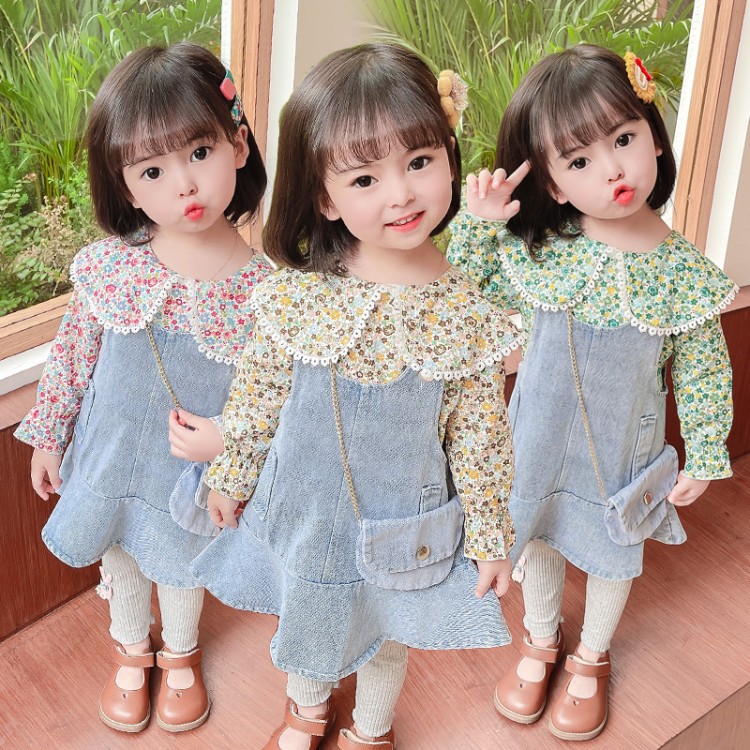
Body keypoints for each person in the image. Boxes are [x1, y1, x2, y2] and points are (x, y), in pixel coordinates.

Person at [190, 43, 521, 750]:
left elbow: (482, 438)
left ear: (450, 157)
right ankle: (306, 711)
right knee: (311, 614)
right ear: (323, 196)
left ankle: (371, 731)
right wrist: (232, 472)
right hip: (310, 509)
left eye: (419, 161)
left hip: (406, 518)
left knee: (389, 630)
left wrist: (492, 536)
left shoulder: (467, 311)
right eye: (365, 178)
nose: (400, 194)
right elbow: (258, 393)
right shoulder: (300, 294)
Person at [447, 44, 736, 741]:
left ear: (654, 136)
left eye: (624, 140)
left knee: (613, 551)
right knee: (541, 536)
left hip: (623, 454)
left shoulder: (686, 273)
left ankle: (592, 654)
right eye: (578, 162)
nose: (612, 170)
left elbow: (704, 367)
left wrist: (705, 451)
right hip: (538, 441)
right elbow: (461, 296)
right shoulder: (541, 253)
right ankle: (541, 638)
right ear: (550, 184)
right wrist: (480, 223)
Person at [15, 43, 271, 734]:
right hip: (113, 454)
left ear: (238, 146)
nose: (183, 185)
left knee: (183, 558)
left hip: (191, 471)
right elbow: (72, 355)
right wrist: (49, 436)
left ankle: (180, 652)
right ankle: (132, 649)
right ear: (128, 188)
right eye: (152, 170)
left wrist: (235, 463)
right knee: (122, 554)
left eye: (199, 153)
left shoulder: (265, 291)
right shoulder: (110, 267)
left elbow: (267, 399)